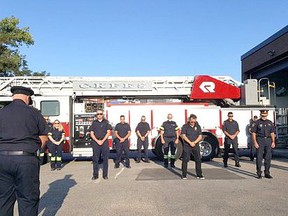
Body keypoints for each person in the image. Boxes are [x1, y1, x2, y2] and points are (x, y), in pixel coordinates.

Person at [0, 86, 48, 216]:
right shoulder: (34, 113)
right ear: (28, 98)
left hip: (2, 159)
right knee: (28, 200)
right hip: (26, 160)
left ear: (13, 96)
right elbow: (44, 138)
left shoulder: (1, 112)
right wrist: (35, 151)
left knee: (3, 200)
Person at [252, 110, 275, 179]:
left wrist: (273, 141)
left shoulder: (270, 122)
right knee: (259, 157)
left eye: (265, 115)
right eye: (263, 115)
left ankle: (267, 172)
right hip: (260, 140)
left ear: (267, 115)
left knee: (268, 157)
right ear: (260, 115)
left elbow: (272, 133)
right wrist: (255, 142)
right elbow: (253, 133)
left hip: (268, 140)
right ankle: (259, 172)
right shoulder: (257, 123)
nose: (264, 117)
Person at [89, 109, 112, 180]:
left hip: (104, 142)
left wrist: (102, 140)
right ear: (96, 115)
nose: (99, 115)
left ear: (103, 115)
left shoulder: (106, 122)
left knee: (105, 159)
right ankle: (95, 175)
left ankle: (105, 175)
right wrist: (97, 140)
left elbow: (108, 132)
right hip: (96, 143)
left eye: (100, 114)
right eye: (98, 114)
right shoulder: (94, 123)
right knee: (95, 160)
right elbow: (91, 133)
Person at [181, 114, 204, 180]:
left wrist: (194, 142)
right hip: (187, 145)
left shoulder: (198, 126)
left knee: (198, 160)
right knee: (185, 160)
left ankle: (199, 175)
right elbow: (183, 136)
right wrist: (190, 142)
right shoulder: (185, 126)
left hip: (195, 145)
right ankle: (184, 175)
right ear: (189, 120)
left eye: (194, 121)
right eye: (192, 121)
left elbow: (200, 136)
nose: (193, 123)